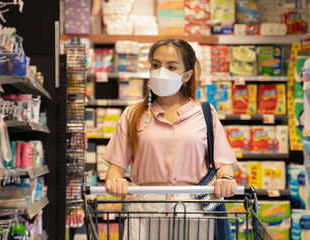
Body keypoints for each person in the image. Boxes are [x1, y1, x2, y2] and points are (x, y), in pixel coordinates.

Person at [101, 39, 238, 239]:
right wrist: (115, 181)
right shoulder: (132, 115)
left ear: (187, 75)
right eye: (156, 65)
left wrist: (226, 179)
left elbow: (223, 164)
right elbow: (115, 169)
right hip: (145, 212)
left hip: (194, 212)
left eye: (171, 67)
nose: (160, 71)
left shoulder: (206, 114)